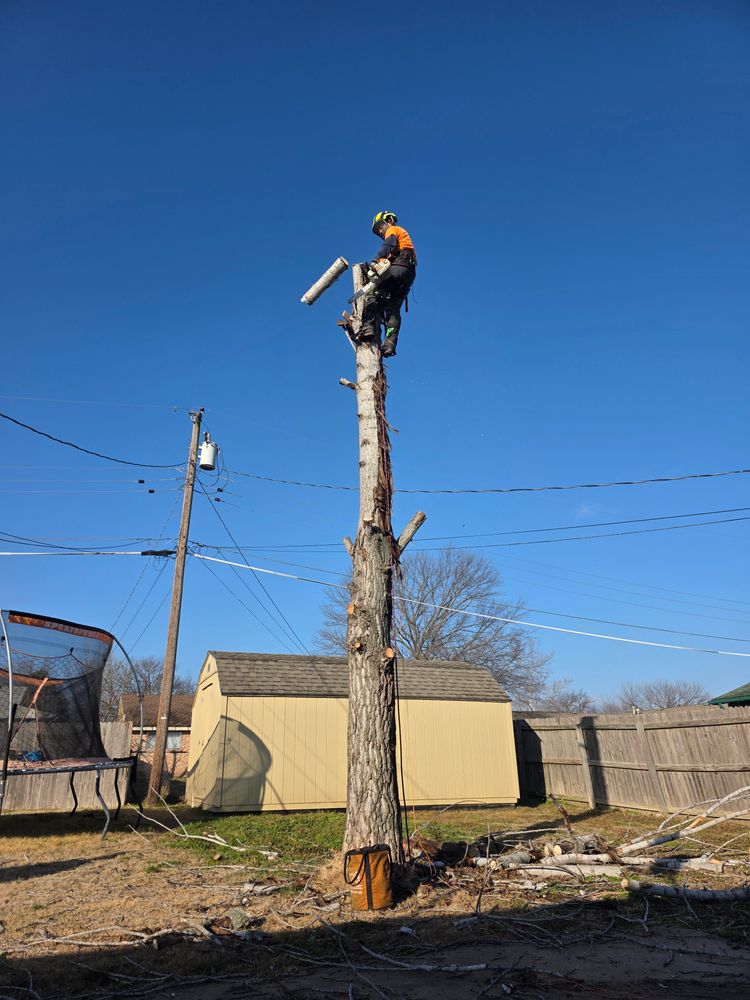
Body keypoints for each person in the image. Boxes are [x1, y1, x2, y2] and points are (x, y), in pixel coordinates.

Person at [365, 211, 417, 357]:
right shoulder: (401, 245)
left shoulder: (394, 230)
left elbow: (389, 243)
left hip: (399, 266)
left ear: (389, 221)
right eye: (378, 232)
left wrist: (375, 260)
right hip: (408, 273)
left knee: (372, 292)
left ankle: (367, 327)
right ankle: (389, 344)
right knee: (393, 309)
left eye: (380, 227)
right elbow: (390, 253)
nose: (381, 232)